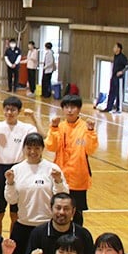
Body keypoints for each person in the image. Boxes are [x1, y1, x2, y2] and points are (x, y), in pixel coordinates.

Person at [3, 132, 68, 254]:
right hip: (23, 223)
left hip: (45, 225)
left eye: (36, 148)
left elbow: (63, 196)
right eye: (29, 148)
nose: (33, 152)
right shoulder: (17, 169)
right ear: (24, 148)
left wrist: (58, 181)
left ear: (42, 149)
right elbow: (11, 199)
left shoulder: (52, 169)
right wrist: (10, 183)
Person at [0, 96, 39, 235]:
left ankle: (14, 243)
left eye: (13, 110)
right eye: (7, 109)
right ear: (3, 110)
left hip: (19, 170)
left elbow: (43, 136)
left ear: (19, 111)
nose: (9, 112)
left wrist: (33, 117)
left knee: (16, 214)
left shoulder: (26, 128)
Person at [45, 95, 97, 226]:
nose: (69, 110)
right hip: (60, 176)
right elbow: (51, 146)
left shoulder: (85, 127)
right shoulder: (59, 126)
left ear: (79, 109)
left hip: (78, 178)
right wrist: (54, 128)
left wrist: (91, 131)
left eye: (73, 107)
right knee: (58, 210)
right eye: (66, 107)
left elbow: (91, 149)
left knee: (77, 213)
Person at [103, 43, 128, 113]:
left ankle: (118, 109)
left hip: (119, 78)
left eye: (115, 47)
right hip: (113, 76)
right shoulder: (115, 56)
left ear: (119, 49)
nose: (113, 48)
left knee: (118, 93)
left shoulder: (122, 57)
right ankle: (109, 107)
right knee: (111, 92)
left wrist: (122, 71)